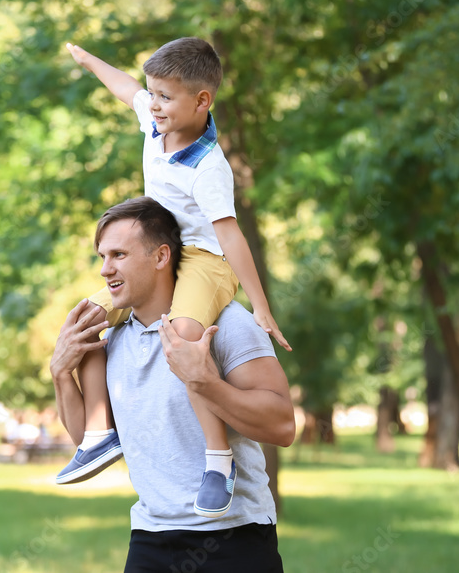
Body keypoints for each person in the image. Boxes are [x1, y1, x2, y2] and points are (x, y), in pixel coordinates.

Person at [56, 38, 291, 519]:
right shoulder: (153, 121)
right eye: (153, 93)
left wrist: (260, 306)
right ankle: (100, 434)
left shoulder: (208, 167)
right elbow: (124, 87)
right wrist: (85, 59)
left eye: (165, 96)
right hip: (162, 252)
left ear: (202, 101)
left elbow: (231, 237)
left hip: (204, 258)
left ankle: (217, 460)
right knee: (86, 318)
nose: (154, 104)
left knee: (183, 339)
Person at [50, 197, 295, 572]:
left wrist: (206, 383)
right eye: (101, 256)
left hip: (235, 539)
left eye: (118, 255)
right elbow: (88, 437)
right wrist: (61, 374)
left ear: (161, 257)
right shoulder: (109, 341)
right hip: (149, 539)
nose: (104, 270)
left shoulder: (226, 325)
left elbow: (282, 425)